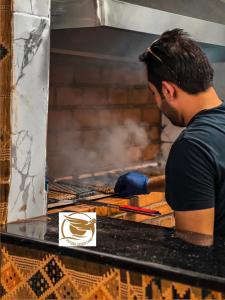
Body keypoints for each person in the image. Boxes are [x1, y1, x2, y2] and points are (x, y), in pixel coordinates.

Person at [114, 28, 225, 242]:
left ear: (168, 91)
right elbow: (210, 177)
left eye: (154, 94)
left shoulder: (192, 146)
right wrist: (148, 185)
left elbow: (194, 251)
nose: (156, 103)